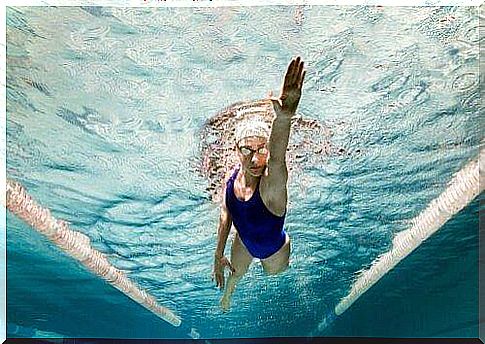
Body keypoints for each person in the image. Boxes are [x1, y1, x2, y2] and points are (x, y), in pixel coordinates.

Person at [212, 56, 306, 311]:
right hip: (244, 242)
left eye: (261, 149)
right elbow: (226, 213)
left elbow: (277, 157)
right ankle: (229, 295)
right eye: (246, 150)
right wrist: (218, 254)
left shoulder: (271, 182)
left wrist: (284, 118)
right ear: (236, 150)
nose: (255, 158)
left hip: (274, 248)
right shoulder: (231, 179)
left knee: (273, 275)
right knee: (236, 273)